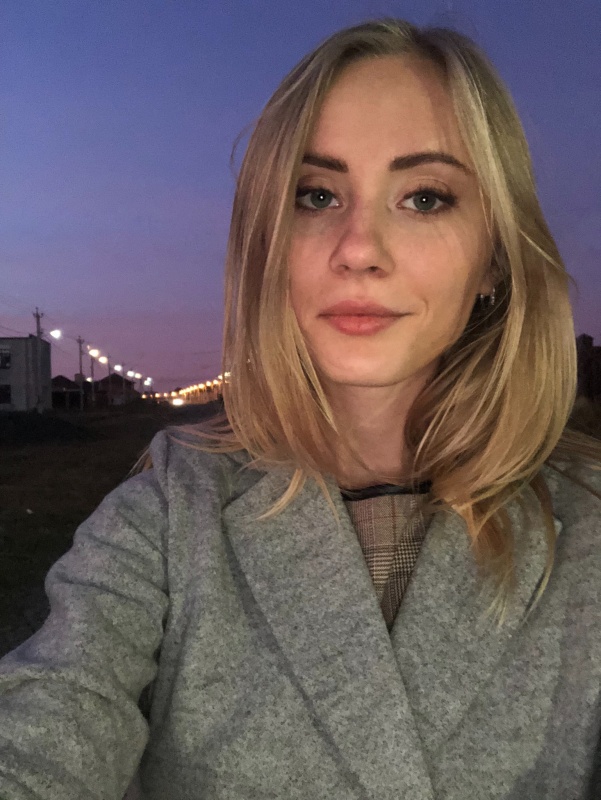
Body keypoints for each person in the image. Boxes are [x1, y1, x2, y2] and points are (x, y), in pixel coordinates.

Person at [1, 17, 601, 800]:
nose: (358, 248)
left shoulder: (584, 526)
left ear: (493, 257)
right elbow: (52, 713)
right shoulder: (172, 509)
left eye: (424, 197)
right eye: (316, 195)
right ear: (267, 242)